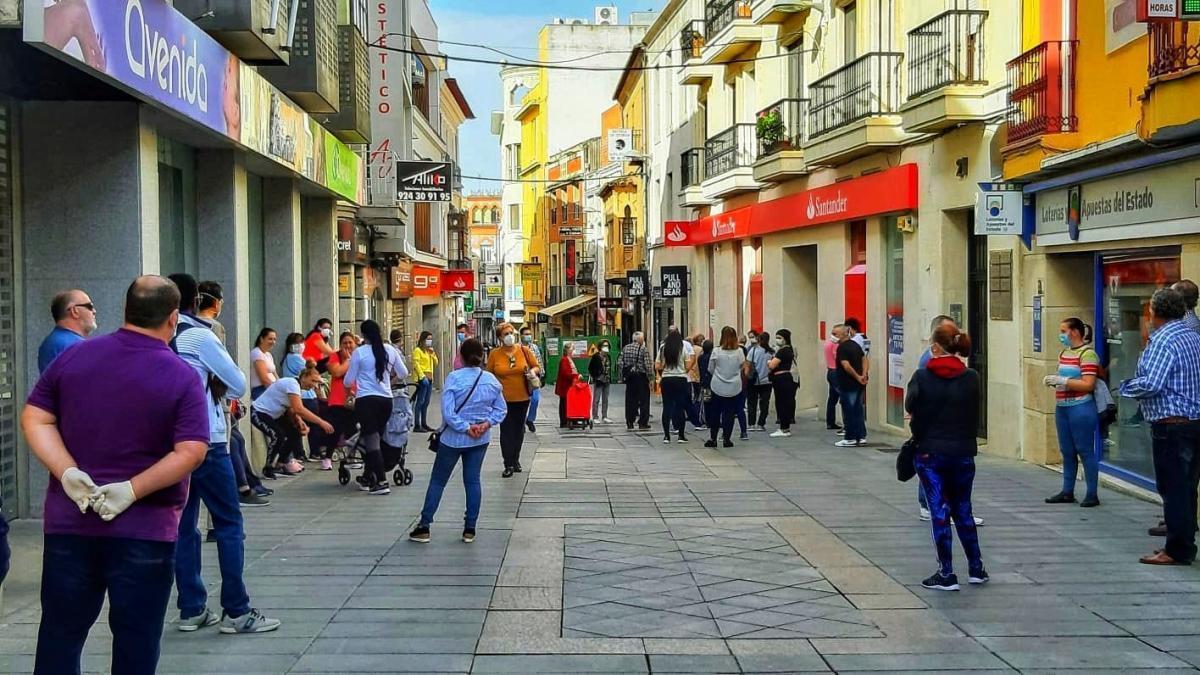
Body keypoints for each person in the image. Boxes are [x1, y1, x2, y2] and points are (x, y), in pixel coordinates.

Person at [23, 275, 209, 673]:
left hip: (71, 524)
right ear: (173, 318)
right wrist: (131, 489)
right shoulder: (181, 375)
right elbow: (191, 450)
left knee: (60, 635)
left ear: (125, 310)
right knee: (136, 642)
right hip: (145, 529)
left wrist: (67, 471)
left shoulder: (74, 357)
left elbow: (35, 418)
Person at [167, 273, 281, 635]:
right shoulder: (200, 335)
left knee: (184, 527)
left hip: (170, 445)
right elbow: (238, 383)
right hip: (209, 440)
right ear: (195, 299)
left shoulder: (160, 337)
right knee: (229, 523)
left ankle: (191, 608)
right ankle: (237, 610)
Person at [1120, 288, 1200, 566]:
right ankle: (1185, 543)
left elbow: (1152, 383)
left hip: (1172, 425)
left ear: (1155, 312)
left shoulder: (1163, 340)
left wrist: (1126, 387)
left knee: (1174, 488)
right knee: (1188, 488)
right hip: (1193, 422)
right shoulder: (1192, 335)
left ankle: (1177, 549)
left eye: (1150, 309)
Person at [906, 323, 987, 591]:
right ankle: (976, 568)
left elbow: (911, 405)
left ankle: (947, 572)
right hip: (963, 452)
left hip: (930, 452)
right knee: (963, 509)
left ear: (935, 347)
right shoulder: (972, 377)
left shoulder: (921, 376)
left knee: (939, 511)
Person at [410, 338, 509, 544]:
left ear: (461, 356)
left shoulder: (454, 378)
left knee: (438, 481)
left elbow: (448, 413)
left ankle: (424, 526)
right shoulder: (491, 380)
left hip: (453, 439)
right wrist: (484, 425)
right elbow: (501, 410)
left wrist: (465, 427)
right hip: (479, 440)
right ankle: (470, 528)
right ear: (482, 356)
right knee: (472, 481)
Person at [197, 282, 267, 506]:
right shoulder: (213, 328)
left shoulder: (184, 327)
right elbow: (224, 373)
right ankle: (220, 517)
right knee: (221, 465)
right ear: (217, 302)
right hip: (216, 406)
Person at [1042, 317, 1101, 508]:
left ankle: (1092, 493)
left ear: (1074, 332)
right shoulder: (1064, 353)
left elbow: (1089, 383)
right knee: (1067, 451)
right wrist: (1055, 381)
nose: (1061, 335)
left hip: (1081, 407)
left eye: (1063, 331)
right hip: (1063, 408)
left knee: (1085, 450)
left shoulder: (1088, 354)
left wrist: (1063, 381)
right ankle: (1067, 491)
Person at [346, 320, 409, 494]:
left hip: (366, 401)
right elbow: (404, 372)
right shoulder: (390, 350)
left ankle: (381, 481)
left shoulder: (359, 353)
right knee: (376, 438)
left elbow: (348, 380)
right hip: (386, 401)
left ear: (363, 335)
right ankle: (368, 476)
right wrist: (388, 381)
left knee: (371, 440)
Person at [251, 363, 334, 480]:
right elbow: (298, 408)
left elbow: (291, 408)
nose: (314, 386)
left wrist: (299, 421)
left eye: (317, 383)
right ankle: (268, 468)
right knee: (278, 436)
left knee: (295, 432)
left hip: (274, 414)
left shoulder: (295, 387)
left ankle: (280, 464)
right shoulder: (292, 383)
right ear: (304, 377)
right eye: (313, 381)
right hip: (259, 412)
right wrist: (321, 422)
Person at [487, 323, 540, 477]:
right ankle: (508, 463)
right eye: (505, 334)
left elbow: (536, 367)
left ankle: (515, 459)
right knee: (506, 430)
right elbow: (489, 374)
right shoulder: (494, 354)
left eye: (511, 332)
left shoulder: (524, 351)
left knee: (518, 430)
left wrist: (532, 372)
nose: (509, 335)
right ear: (500, 338)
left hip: (522, 397)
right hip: (502, 399)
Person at [321, 332, 360, 471]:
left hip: (354, 398)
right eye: (345, 343)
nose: (348, 345)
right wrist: (348, 361)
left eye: (350, 343)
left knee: (352, 430)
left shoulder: (359, 355)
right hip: (337, 400)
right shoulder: (334, 356)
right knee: (335, 430)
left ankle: (351, 457)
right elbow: (337, 372)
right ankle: (327, 457)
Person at [37, 288, 98, 373]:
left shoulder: (53, 342)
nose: (94, 311)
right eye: (89, 306)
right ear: (74, 311)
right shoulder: (74, 345)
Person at [707, 326, 748, 448]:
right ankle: (727, 439)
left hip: (718, 385)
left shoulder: (716, 351)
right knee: (729, 413)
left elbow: (710, 368)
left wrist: (718, 374)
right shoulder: (739, 352)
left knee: (715, 412)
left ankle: (713, 438)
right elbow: (742, 366)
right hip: (734, 386)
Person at [656, 330, 693, 443]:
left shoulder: (663, 348)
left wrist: (664, 370)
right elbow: (688, 364)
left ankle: (666, 436)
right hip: (680, 379)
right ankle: (681, 435)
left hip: (667, 379)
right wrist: (683, 370)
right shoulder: (682, 348)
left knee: (667, 407)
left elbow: (657, 364)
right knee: (680, 407)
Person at [835, 325, 868, 447]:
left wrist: (858, 376)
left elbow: (846, 365)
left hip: (848, 384)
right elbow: (864, 359)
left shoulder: (842, 348)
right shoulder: (855, 345)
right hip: (859, 383)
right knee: (858, 409)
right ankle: (861, 436)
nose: (833, 336)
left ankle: (850, 437)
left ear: (844, 334)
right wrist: (863, 375)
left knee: (849, 410)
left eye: (835, 334)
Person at [620, 331, 654, 430]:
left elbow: (620, 362)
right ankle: (643, 422)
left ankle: (630, 422)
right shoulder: (643, 349)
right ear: (640, 339)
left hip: (630, 378)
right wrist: (651, 378)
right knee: (644, 400)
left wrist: (625, 372)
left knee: (630, 400)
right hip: (641, 377)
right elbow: (647, 365)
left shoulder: (625, 348)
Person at [768, 329, 797, 437]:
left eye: (780, 338)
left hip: (781, 378)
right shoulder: (789, 350)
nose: (777, 340)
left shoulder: (783, 351)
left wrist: (769, 362)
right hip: (785, 378)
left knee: (781, 402)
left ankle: (784, 428)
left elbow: (772, 365)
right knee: (785, 402)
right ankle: (785, 427)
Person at [412, 330, 439, 432]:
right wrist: (422, 377)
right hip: (422, 379)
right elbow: (416, 364)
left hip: (430, 378)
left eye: (431, 339)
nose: (429, 341)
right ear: (423, 339)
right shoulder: (417, 351)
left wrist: (433, 354)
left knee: (426, 402)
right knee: (420, 401)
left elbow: (436, 363)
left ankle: (424, 423)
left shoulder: (429, 351)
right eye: (428, 339)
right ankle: (417, 425)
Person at [747, 332, 774, 432]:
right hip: (767, 381)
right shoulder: (771, 352)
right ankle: (761, 424)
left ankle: (751, 424)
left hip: (754, 381)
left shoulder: (753, 351)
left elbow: (748, 364)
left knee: (752, 403)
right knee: (764, 403)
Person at [521, 326, 543, 432]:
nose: (528, 336)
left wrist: (541, 375)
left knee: (535, 399)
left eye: (529, 334)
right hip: (521, 378)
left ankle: (530, 419)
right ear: (521, 336)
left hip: (534, 377)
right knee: (523, 401)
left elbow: (539, 362)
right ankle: (521, 421)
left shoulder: (534, 347)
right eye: (526, 334)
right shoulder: (517, 348)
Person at [556, 342, 581, 428]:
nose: (573, 350)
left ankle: (571, 420)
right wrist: (576, 376)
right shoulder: (565, 359)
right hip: (565, 386)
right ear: (567, 350)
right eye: (572, 348)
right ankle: (564, 421)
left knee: (569, 403)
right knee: (564, 404)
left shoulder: (568, 359)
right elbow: (565, 373)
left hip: (568, 386)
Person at [823, 327, 843, 431]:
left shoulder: (827, 343)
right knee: (843, 397)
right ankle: (845, 424)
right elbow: (837, 357)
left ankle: (830, 422)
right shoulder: (835, 345)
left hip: (830, 371)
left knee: (832, 399)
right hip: (836, 372)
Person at [249, 328, 278, 399]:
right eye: (270, 339)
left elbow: (275, 375)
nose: (273, 342)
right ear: (262, 339)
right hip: (261, 390)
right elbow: (264, 379)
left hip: (271, 388)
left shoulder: (268, 355)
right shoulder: (257, 353)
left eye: (274, 339)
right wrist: (276, 391)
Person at [589, 339, 613, 423]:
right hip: (599, 380)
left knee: (605, 399)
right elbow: (590, 368)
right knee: (596, 399)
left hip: (607, 380)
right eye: (604, 346)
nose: (605, 347)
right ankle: (595, 417)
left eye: (607, 346)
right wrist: (595, 376)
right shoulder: (596, 356)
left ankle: (604, 416)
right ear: (600, 347)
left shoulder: (608, 356)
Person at [687, 334, 707, 430]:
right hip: (698, 376)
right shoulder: (700, 350)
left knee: (694, 396)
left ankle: (692, 413)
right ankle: (698, 416)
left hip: (690, 375)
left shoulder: (690, 349)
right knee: (699, 397)